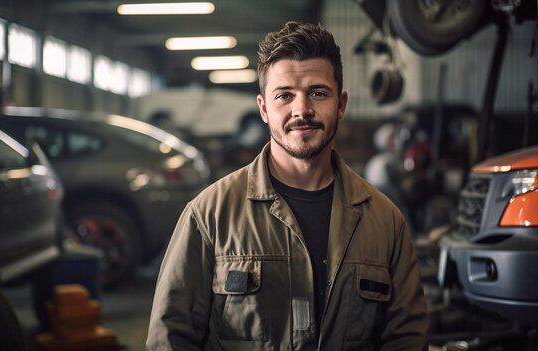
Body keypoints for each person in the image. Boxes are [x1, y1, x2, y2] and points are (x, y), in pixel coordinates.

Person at [146, 21, 429, 350]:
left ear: (341, 104)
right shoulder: (208, 216)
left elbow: (407, 338)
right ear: (264, 108)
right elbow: (170, 338)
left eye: (318, 93)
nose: (302, 110)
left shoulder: (385, 222)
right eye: (285, 96)